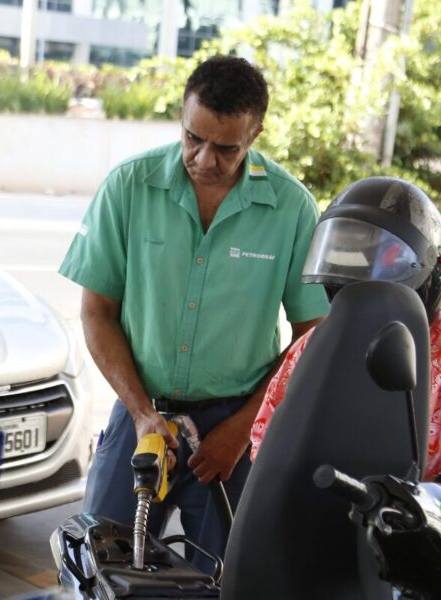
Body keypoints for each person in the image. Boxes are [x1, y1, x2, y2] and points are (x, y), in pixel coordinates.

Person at [58, 55, 329, 570]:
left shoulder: (292, 208)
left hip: (235, 423)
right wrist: (141, 415)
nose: (204, 159)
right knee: (103, 566)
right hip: (141, 411)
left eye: (226, 148)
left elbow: (310, 337)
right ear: (182, 117)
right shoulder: (129, 187)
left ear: (256, 134)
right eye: (192, 139)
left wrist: (244, 429)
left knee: (225, 574)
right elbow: (97, 313)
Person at [249, 176, 441, 534]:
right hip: (320, 541)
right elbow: (266, 445)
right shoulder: (317, 346)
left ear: (432, 273)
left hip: (419, 556)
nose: (364, 297)